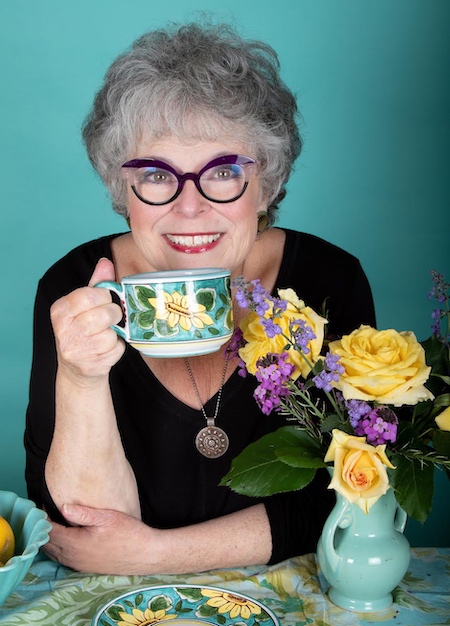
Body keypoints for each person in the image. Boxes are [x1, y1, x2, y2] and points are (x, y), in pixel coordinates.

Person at [25, 22, 376, 575]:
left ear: (267, 185)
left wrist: (154, 554)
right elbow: (78, 530)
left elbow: (352, 494)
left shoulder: (329, 281)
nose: (190, 208)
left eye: (224, 171)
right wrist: (81, 377)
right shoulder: (75, 289)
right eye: (156, 175)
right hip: (121, 606)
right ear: (122, 188)